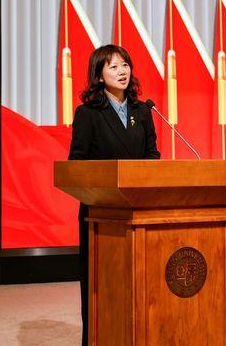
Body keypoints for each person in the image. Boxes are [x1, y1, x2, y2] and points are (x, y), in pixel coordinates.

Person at [68, 44, 160, 346]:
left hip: (139, 211)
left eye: (125, 65)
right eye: (113, 66)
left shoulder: (143, 111)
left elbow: (152, 156)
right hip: (101, 212)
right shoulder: (88, 114)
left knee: (140, 284)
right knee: (101, 284)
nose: (122, 71)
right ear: (99, 75)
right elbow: (77, 164)